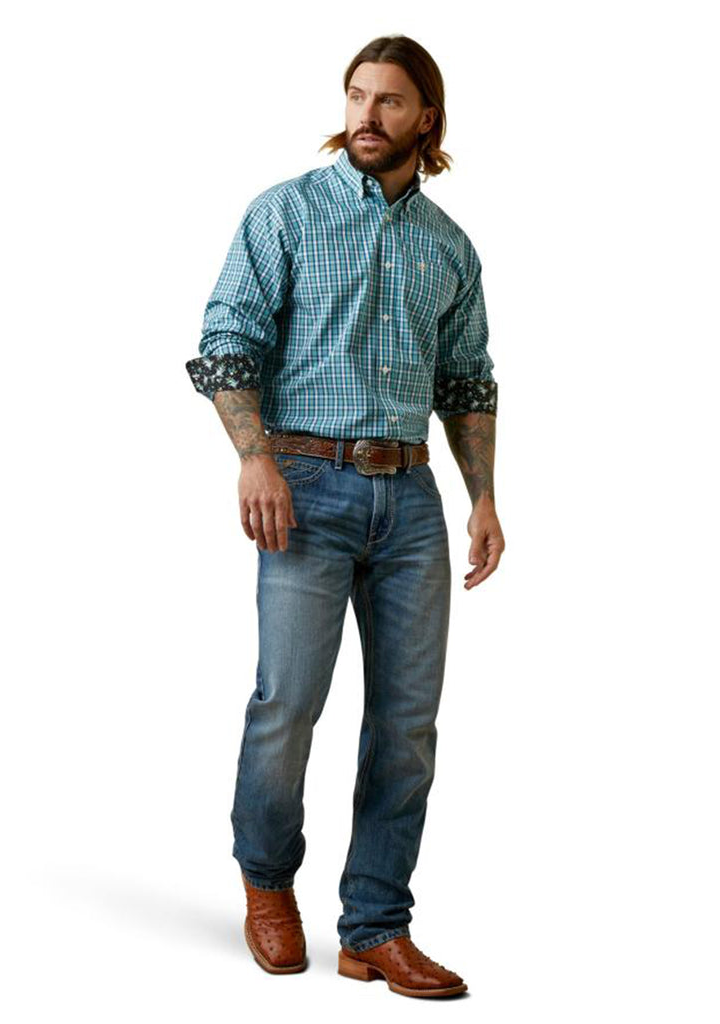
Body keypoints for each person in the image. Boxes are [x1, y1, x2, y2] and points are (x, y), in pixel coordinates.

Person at [186, 34, 504, 999]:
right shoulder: (286, 212)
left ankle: (375, 926)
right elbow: (227, 340)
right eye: (357, 95)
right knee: (287, 704)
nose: (367, 114)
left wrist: (484, 496)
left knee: (407, 725)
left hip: (411, 503)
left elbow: (466, 380)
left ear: (426, 119)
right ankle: (267, 883)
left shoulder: (449, 246)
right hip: (305, 489)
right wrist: (255, 457)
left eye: (390, 100)